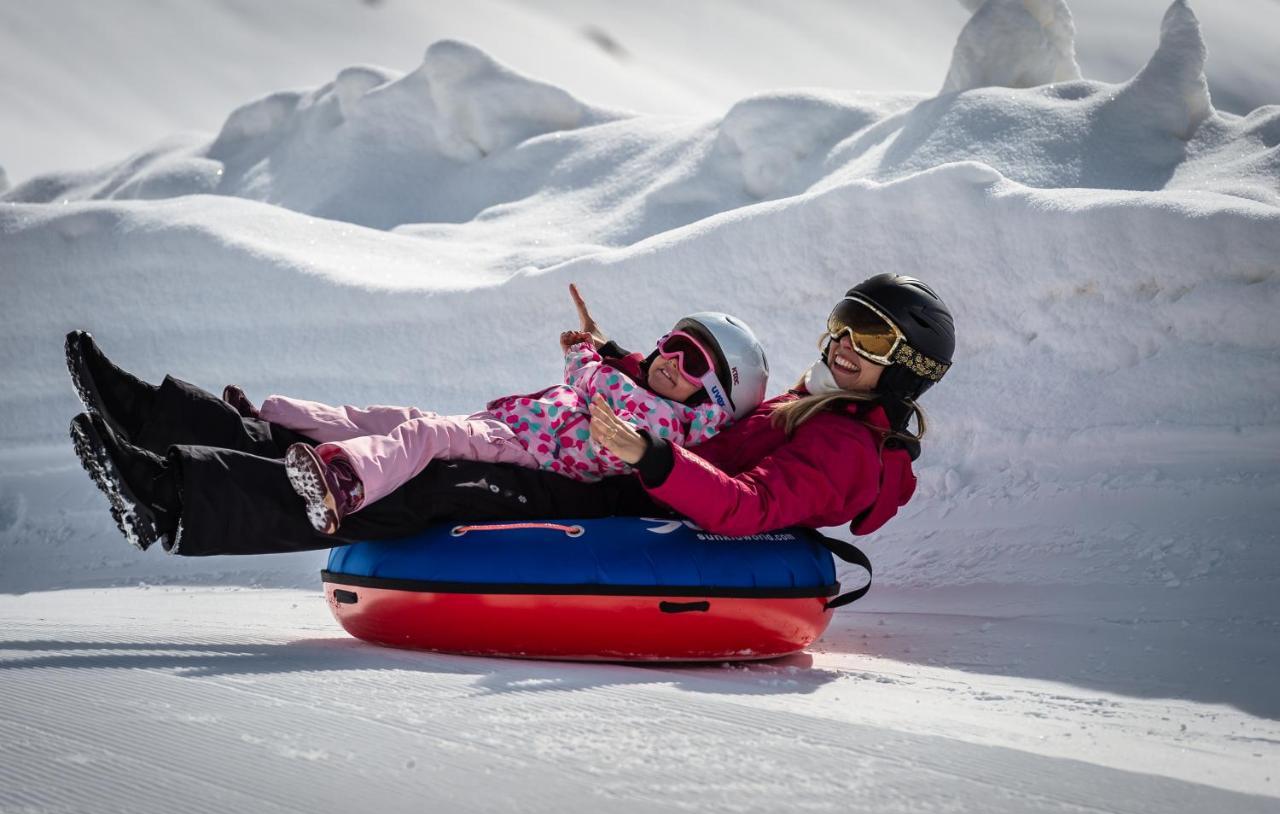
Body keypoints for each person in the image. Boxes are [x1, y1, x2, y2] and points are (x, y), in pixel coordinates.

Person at [66, 275, 954, 556]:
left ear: (907, 368)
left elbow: (751, 505)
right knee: (379, 435)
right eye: (846, 322)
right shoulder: (816, 402)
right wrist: (615, 366)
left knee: (420, 481)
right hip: (615, 465)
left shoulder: (848, 444)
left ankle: (172, 495)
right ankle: (156, 420)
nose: (845, 344)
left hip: (619, 498)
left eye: (870, 337)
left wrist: (650, 458)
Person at [236, 312, 767, 534]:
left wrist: (586, 354)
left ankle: (346, 481)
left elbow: (596, 385)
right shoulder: (643, 389)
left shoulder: (666, 423)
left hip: (527, 450)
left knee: (424, 434)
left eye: (694, 363)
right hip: (511, 426)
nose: (673, 361)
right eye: (674, 346)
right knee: (399, 419)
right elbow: (607, 376)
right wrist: (595, 351)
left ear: (714, 401)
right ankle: (275, 419)